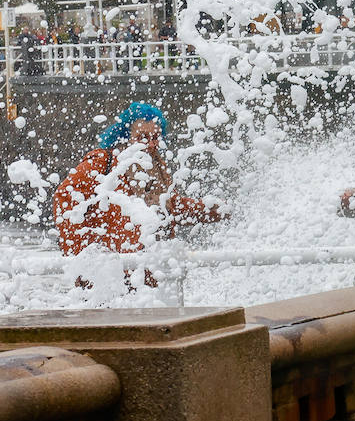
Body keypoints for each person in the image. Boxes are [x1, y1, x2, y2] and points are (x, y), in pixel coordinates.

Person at [54, 102, 226, 285]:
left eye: (155, 138)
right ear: (125, 137)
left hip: (148, 275)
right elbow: (65, 200)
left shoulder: (157, 167)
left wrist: (208, 210)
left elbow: (170, 206)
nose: (151, 144)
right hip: (109, 277)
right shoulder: (103, 163)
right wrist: (82, 258)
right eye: (143, 137)